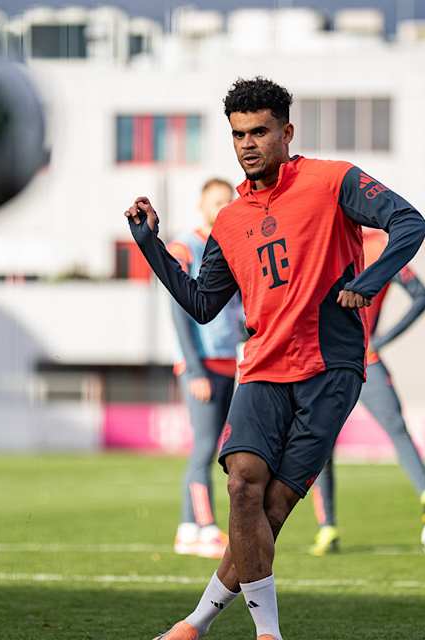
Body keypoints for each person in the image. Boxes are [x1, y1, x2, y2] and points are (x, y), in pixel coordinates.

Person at [124, 76, 425, 640]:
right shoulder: (231, 220)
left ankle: (198, 621)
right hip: (261, 367)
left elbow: (410, 223)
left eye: (260, 131)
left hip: (330, 368)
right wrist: (150, 246)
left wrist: (369, 280)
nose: (247, 143)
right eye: (238, 134)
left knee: (274, 508)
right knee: (242, 484)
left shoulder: (333, 180)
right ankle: (265, 634)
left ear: (286, 132)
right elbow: (201, 303)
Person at [308, 229, 425, 556]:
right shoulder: (326, 240)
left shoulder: (375, 246)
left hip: (360, 358)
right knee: (323, 445)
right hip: (326, 360)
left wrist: (381, 340)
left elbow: (422, 296)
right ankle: (328, 527)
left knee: (394, 426)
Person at [168, 178, 245, 559]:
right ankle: (207, 526)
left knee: (212, 445)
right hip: (201, 363)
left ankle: (187, 529)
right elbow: (179, 305)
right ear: (201, 204)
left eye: (228, 201)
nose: (223, 207)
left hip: (228, 360)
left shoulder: (231, 244)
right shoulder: (188, 244)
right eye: (216, 201)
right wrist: (195, 370)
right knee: (203, 447)